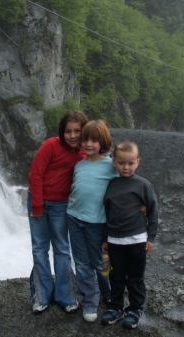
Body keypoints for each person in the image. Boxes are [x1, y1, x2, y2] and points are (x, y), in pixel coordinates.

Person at [28, 110, 89, 314]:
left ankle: (65, 296)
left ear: (84, 131)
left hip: (62, 205)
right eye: (68, 131)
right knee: (40, 248)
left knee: (62, 249)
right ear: (62, 132)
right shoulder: (51, 145)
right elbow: (35, 174)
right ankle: (42, 295)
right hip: (39, 202)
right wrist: (37, 205)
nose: (72, 136)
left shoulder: (84, 154)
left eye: (77, 131)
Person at [101, 140, 158, 329]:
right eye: (121, 163)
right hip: (115, 240)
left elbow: (152, 211)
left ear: (138, 162)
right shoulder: (111, 185)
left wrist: (150, 238)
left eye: (130, 163)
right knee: (116, 276)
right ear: (114, 163)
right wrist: (105, 238)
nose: (126, 167)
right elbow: (107, 213)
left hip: (137, 239)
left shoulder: (143, 185)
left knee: (135, 277)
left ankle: (135, 309)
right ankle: (115, 307)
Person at [66, 120, 118, 323]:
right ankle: (90, 300)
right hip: (74, 218)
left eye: (94, 141)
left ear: (102, 142)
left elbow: (127, 184)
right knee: (81, 263)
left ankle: (109, 291)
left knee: (100, 263)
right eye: (85, 139)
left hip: (98, 222)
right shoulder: (78, 165)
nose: (88, 144)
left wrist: (142, 204)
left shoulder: (110, 165)